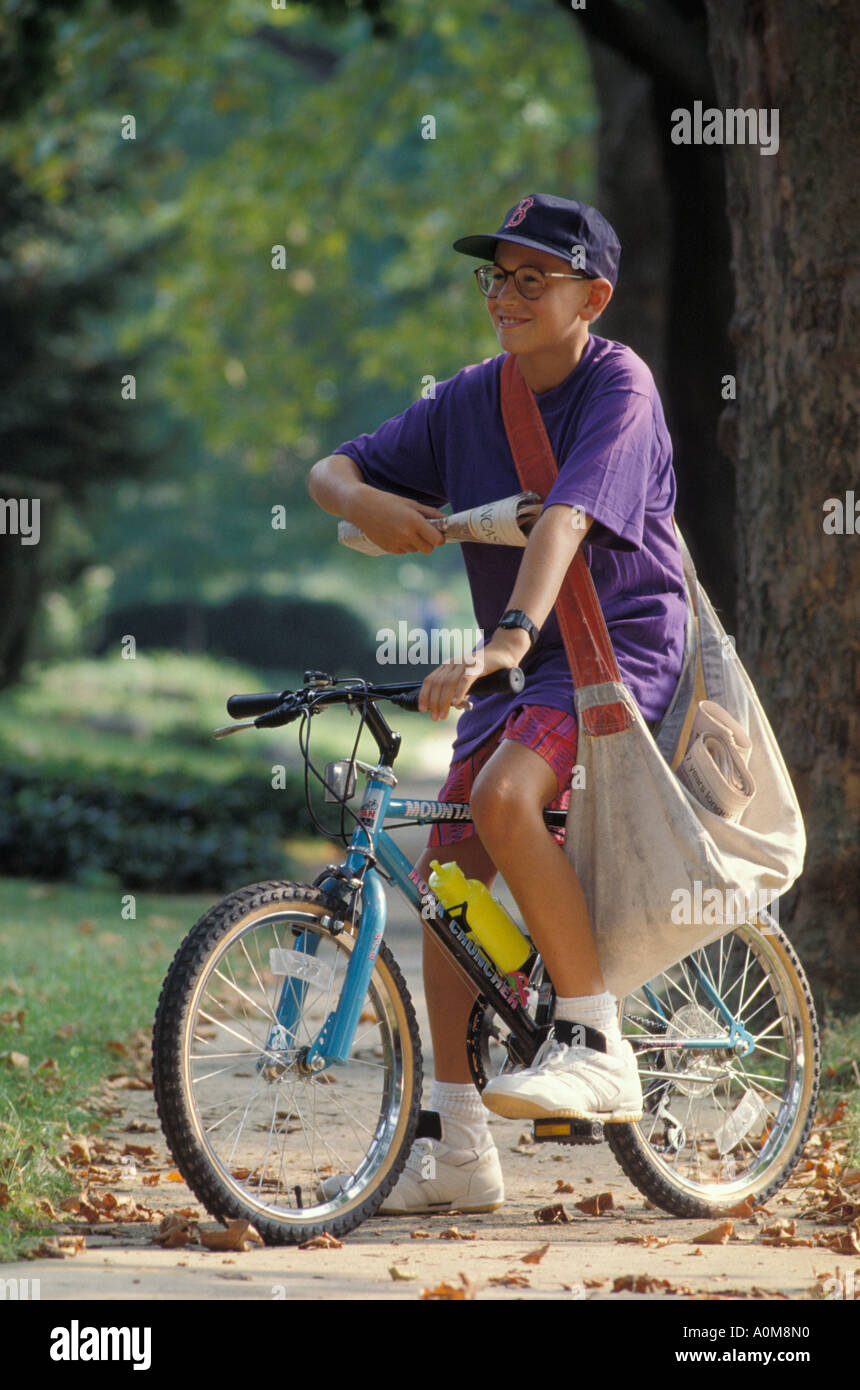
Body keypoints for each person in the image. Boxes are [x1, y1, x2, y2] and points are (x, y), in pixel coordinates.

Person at [308, 193, 687, 1215]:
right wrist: (365, 501)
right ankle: (461, 1142)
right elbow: (327, 468)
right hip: (518, 669)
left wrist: (501, 642)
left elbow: (565, 517)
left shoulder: (620, 385)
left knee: (506, 800)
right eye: (494, 276)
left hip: (609, 651)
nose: (504, 296)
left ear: (590, 296)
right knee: (446, 885)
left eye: (532, 278)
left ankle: (594, 1036)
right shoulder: (468, 399)